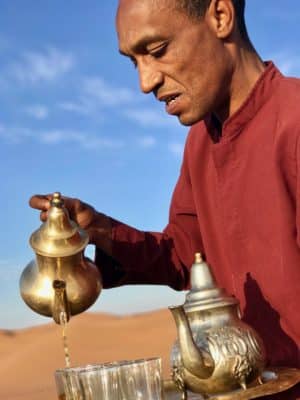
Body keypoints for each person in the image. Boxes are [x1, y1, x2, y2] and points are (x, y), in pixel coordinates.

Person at [30, 0, 300, 398]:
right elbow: (186, 256)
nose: (145, 81)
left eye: (157, 51)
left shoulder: (292, 120)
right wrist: (101, 230)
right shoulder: (200, 144)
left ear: (221, 16)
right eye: (133, 61)